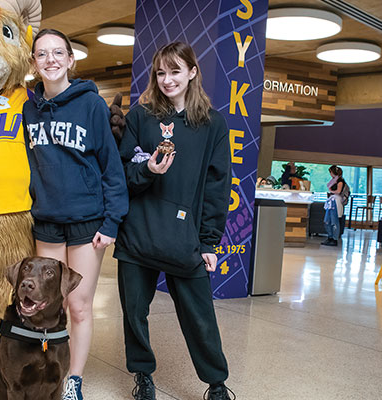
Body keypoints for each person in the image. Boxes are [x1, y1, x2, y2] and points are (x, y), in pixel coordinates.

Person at [114, 42, 234, 400]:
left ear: (192, 73)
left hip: (184, 241)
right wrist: (147, 169)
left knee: (200, 319)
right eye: (161, 73)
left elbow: (217, 186)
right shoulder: (141, 117)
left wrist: (209, 241)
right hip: (138, 235)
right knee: (134, 314)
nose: (167, 80)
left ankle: (216, 384)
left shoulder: (212, 125)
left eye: (175, 71)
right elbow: (122, 173)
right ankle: (143, 376)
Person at [22, 28, 129, 400]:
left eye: (57, 53)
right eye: (41, 54)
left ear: (71, 60)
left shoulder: (91, 105)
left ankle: (74, 380)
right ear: (34, 63)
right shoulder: (28, 108)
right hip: (48, 221)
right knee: (46, 304)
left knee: (79, 305)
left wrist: (112, 220)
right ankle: (44, 371)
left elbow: (111, 168)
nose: (50, 59)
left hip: (87, 221)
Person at [322, 165, 346, 246]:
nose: (330, 174)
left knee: (334, 221)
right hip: (332, 201)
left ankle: (334, 239)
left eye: (331, 172)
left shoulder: (340, 181)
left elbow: (338, 191)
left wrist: (331, 190)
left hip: (335, 201)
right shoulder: (335, 181)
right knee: (327, 221)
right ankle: (330, 237)